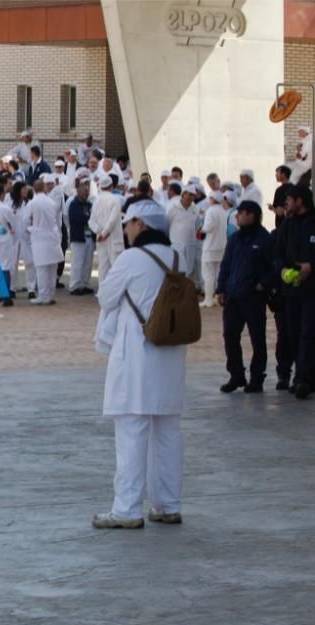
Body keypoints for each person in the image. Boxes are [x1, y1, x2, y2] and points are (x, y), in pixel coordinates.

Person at [92, 199, 188, 529]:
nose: (126, 229)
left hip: (136, 354)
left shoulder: (132, 258)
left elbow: (106, 296)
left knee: (132, 431)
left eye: (129, 223)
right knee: (167, 432)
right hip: (170, 354)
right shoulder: (178, 256)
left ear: (142, 225)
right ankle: (168, 504)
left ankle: (127, 509)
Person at [216, 201, 274, 393]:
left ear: (253, 215)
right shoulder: (235, 239)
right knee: (230, 336)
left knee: (257, 338)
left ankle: (256, 378)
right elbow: (226, 265)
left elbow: (274, 266)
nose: (238, 216)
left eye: (241, 213)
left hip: (254, 298)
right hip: (233, 297)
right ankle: (236, 375)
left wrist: (263, 284)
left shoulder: (264, 239)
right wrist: (221, 289)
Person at [272, 185, 315, 398]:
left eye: (289, 199)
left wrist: (310, 267)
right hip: (290, 291)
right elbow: (278, 253)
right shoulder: (287, 226)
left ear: (300, 201)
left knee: (308, 333)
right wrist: (281, 270)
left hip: (311, 290)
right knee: (293, 333)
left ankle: (303, 379)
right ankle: (301, 376)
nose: (286, 203)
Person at [28, 174, 65, 305]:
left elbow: (25, 220)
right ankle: (51, 294)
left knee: (42, 269)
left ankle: (43, 296)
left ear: (33, 189)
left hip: (39, 239)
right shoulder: (51, 202)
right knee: (52, 268)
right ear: (43, 188)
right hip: (53, 238)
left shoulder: (32, 203)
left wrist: (32, 228)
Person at [88, 174, 124, 285]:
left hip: (101, 239)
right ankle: (117, 294)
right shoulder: (115, 199)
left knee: (103, 267)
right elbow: (113, 220)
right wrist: (104, 233)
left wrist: (99, 232)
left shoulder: (96, 202)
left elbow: (91, 221)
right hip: (112, 237)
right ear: (112, 186)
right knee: (117, 267)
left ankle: (103, 293)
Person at [200, 189, 229, 308]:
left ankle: (208, 299)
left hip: (210, 247)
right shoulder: (223, 211)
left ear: (213, 199)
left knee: (208, 274)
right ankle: (217, 298)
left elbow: (208, 227)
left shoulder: (211, 211)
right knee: (218, 274)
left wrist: (200, 228)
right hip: (221, 246)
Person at [67, 177, 96, 295]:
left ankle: (84, 283)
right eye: (84, 192)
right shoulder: (74, 204)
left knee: (88, 263)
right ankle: (75, 285)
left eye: (87, 192)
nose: (86, 194)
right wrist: (88, 218)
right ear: (79, 192)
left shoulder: (89, 204)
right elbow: (77, 219)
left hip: (89, 237)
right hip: (79, 237)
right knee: (77, 263)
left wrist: (88, 218)